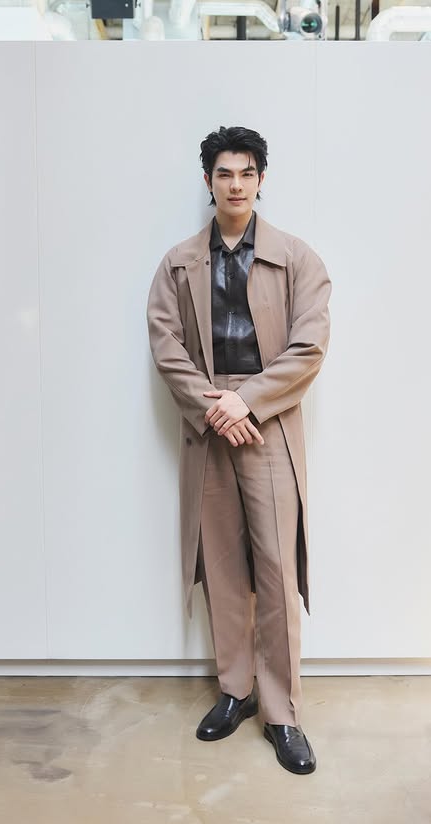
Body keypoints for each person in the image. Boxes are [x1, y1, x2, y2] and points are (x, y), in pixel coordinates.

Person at [146, 125, 331, 775]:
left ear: (260, 179)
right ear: (208, 181)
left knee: (276, 566)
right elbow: (166, 345)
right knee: (222, 563)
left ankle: (281, 713)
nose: (235, 184)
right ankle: (235, 689)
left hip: (267, 419)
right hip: (209, 421)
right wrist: (213, 405)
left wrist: (246, 400)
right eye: (223, 173)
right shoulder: (178, 263)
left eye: (246, 173)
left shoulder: (298, 259)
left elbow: (309, 346)